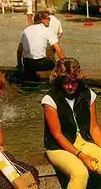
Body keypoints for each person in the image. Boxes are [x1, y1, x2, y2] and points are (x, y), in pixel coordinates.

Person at [42, 57, 101, 188]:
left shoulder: (88, 94)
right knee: (80, 173)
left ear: (79, 79)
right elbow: (57, 135)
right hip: (58, 147)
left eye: (73, 82)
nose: (70, 86)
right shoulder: (50, 99)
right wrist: (81, 156)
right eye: (65, 82)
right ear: (58, 80)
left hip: (83, 141)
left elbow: (94, 128)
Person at [17, 11, 65, 80]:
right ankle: (52, 80)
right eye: (48, 19)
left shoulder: (26, 30)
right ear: (42, 20)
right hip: (41, 63)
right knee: (55, 64)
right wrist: (66, 66)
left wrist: (20, 65)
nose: (49, 21)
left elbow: (19, 51)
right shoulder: (48, 30)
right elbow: (59, 52)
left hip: (27, 63)